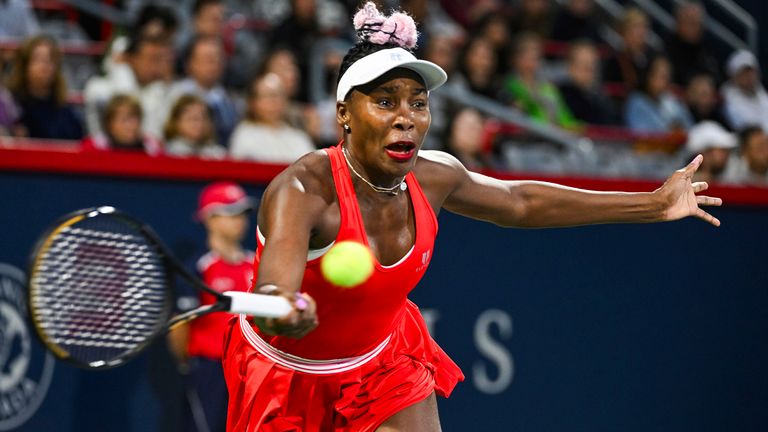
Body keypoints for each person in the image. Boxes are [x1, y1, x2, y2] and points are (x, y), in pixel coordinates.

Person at [221, 3, 723, 431]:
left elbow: (522, 202)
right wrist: (280, 307)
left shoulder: (435, 175)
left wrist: (653, 204)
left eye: (418, 103)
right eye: (384, 102)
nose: (406, 117)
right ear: (343, 114)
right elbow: (272, 290)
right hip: (288, 377)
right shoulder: (303, 190)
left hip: (382, 361)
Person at [169, 181, 255, 432]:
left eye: (242, 213)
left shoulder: (256, 264)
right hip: (210, 370)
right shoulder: (198, 266)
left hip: (250, 369)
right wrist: (191, 364)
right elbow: (180, 325)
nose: (239, 220)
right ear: (210, 218)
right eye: (231, 213)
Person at [6, 35, 84, 140]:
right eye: (38, 59)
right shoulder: (10, 104)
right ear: (24, 65)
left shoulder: (65, 110)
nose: (44, 66)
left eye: (50, 60)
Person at [228, 73, 315, 163]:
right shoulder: (244, 135)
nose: (274, 102)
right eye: (268, 96)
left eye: (279, 95)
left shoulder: (299, 138)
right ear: (253, 102)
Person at [624, 56, 693, 133]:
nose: (666, 81)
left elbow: (689, 127)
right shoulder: (636, 101)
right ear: (649, 76)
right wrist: (669, 130)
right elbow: (640, 132)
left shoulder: (671, 101)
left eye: (668, 77)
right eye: (662, 76)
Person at [81, 93, 163, 155]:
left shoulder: (153, 150)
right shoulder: (92, 149)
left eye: (135, 118)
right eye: (124, 119)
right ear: (109, 124)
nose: (130, 125)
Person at [164, 94, 226, 159]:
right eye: (193, 118)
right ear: (176, 122)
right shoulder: (168, 153)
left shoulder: (218, 154)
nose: (200, 123)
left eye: (204, 118)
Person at [720, 49, 768, 132]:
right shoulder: (728, 97)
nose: (749, 77)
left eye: (751, 72)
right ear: (733, 76)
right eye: (744, 73)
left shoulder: (760, 91)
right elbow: (747, 127)